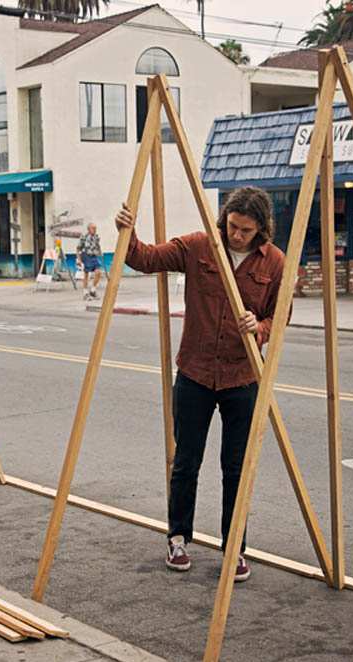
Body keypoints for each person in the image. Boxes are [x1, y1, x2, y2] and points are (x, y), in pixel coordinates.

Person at [114, 186, 284, 583]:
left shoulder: (274, 263)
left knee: (237, 468)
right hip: (194, 372)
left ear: (261, 230)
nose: (237, 235)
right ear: (224, 218)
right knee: (186, 461)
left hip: (242, 377)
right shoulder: (199, 245)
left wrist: (257, 327)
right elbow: (144, 258)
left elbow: (280, 317)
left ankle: (235, 548)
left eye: (245, 231)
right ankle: (177, 538)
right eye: (232, 226)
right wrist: (128, 232)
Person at [76, 222, 104, 299]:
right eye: (93, 228)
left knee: (98, 272)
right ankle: (85, 293)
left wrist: (101, 254)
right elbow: (78, 248)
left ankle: (93, 290)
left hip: (94, 256)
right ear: (89, 229)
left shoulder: (96, 237)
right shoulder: (84, 237)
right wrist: (79, 260)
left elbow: (98, 246)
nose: (95, 230)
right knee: (86, 275)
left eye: (96, 228)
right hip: (86, 256)